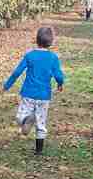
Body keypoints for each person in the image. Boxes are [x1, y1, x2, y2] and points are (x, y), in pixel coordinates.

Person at [4, 24, 65, 156]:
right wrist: (60, 84)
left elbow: (17, 72)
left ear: (36, 40)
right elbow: (59, 75)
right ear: (51, 42)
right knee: (41, 122)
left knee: (20, 117)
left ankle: (26, 121)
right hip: (44, 95)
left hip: (28, 93)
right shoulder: (53, 58)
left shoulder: (30, 55)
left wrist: (7, 85)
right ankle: (39, 151)